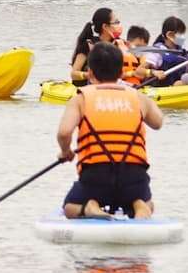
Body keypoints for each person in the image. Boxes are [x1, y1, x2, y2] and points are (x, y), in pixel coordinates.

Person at [57, 43, 164, 220]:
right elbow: (158, 122)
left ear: (90, 74)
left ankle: (91, 206)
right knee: (146, 200)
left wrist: (65, 151)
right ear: (121, 73)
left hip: (96, 175)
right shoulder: (138, 98)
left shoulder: (80, 98)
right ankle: (140, 205)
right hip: (133, 175)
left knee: (69, 207)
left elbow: (64, 132)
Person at [140, 16, 188, 86]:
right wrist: (153, 72)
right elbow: (138, 71)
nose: (183, 37)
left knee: (186, 77)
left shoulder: (183, 51)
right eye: (181, 33)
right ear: (169, 35)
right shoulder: (157, 52)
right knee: (183, 80)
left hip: (180, 87)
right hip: (164, 90)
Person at [70, 7, 123, 85]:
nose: (119, 25)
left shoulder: (119, 43)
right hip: (87, 88)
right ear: (105, 26)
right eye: (116, 22)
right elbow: (73, 74)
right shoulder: (88, 45)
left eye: (119, 22)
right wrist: (88, 75)